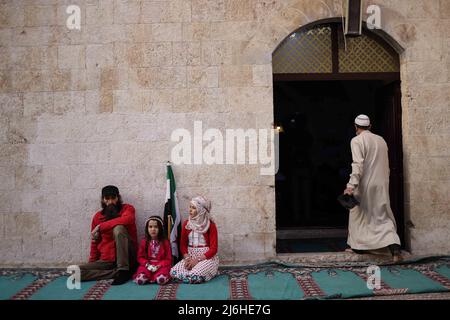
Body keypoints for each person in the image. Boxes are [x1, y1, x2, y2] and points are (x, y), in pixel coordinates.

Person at [344, 115, 402, 262]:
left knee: (359, 215)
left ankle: (358, 247)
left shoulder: (356, 140)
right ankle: (395, 249)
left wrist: (351, 186)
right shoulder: (381, 140)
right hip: (381, 183)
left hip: (365, 185)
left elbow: (357, 164)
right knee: (382, 215)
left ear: (355, 127)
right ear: (370, 126)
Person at [80, 185, 138, 285]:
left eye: (113, 198)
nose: (110, 202)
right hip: (107, 259)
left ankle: (123, 269)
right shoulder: (97, 217)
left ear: (118, 198)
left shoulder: (127, 209)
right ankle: (118, 273)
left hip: (128, 256)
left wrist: (100, 226)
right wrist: (92, 262)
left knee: (118, 228)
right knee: (74, 271)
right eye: (107, 198)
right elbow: (95, 241)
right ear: (103, 200)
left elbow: (128, 219)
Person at [170, 196, 219, 284]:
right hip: (190, 256)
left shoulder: (210, 225)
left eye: (193, 208)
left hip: (206, 257)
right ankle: (194, 275)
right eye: (190, 207)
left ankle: (203, 272)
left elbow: (213, 249)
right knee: (173, 272)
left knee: (194, 274)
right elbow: (183, 245)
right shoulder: (187, 224)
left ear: (201, 210)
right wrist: (187, 258)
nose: (190, 210)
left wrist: (197, 260)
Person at [133, 216, 172, 285]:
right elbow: (140, 257)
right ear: (147, 228)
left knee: (161, 280)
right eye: (150, 227)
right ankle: (146, 276)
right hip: (147, 265)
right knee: (140, 280)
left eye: (156, 227)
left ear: (160, 228)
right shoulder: (144, 241)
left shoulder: (165, 242)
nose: (153, 229)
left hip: (160, 266)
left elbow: (168, 259)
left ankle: (159, 277)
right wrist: (147, 264)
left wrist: (159, 266)